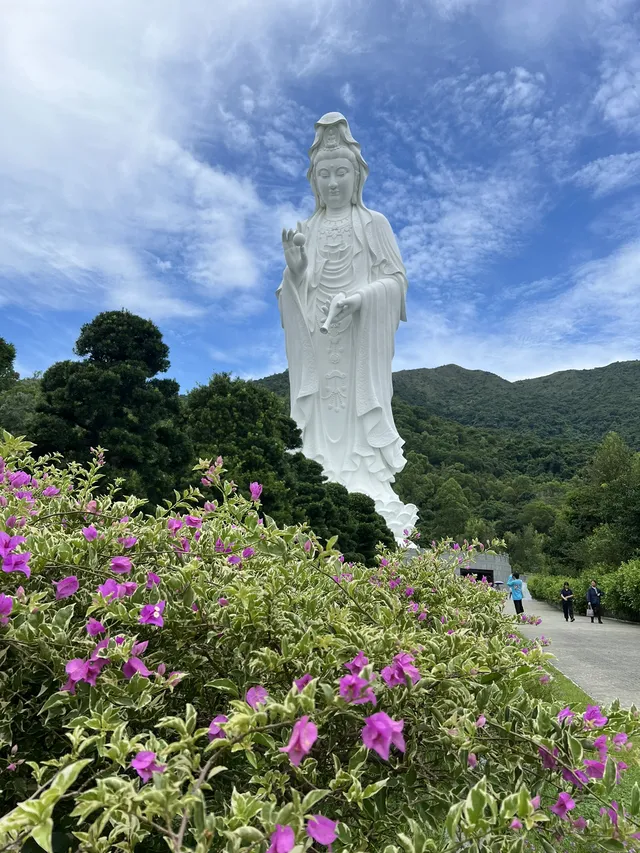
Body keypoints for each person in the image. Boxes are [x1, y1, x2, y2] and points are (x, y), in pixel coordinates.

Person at [278, 112, 418, 538]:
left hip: (360, 339)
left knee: (358, 413)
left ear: (356, 176)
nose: (333, 182)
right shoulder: (308, 228)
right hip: (318, 342)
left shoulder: (373, 223)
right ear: (314, 181)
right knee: (317, 413)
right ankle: (315, 473)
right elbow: (292, 295)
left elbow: (396, 282)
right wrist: (296, 271)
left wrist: (360, 299)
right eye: (325, 174)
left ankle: (366, 485)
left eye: (342, 172)